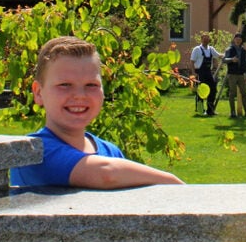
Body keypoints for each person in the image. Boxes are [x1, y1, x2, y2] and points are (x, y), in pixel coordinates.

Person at [10, 35, 184, 188]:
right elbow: (107, 174)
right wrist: (177, 185)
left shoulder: (110, 152)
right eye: (64, 85)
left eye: (91, 85)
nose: (79, 96)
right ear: (38, 92)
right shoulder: (33, 153)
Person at [190, 33, 220, 116]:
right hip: (199, 72)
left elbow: (218, 55)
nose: (206, 40)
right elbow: (192, 61)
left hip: (208, 72)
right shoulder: (197, 49)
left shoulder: (211, 49)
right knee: (201, 91)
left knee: (213, 90)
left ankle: (210, 110)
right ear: (201, 39)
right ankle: (200, 110)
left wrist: (228, 55)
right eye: (204, 38)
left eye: (207, 38)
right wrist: (193, 73)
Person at [223, 32, 246, 118]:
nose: (238, 41)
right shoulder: (229, 49)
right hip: (232, 74)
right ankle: (232, 112)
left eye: (240, 39)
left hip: (241, 74)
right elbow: (224, 60)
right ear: (234, 40)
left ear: (241, 40)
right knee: (232, 93)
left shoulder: (244, 50)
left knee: (244, 93)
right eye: (237, 39)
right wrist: (232, 59)